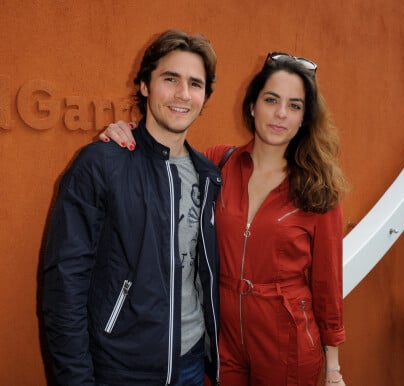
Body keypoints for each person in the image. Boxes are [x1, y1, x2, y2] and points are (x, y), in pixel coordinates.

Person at [100, 52, 348, 385]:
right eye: (271, 100)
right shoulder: (219, 163)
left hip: (286, 340)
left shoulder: (318, 187)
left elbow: (327, 282)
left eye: (294, 106)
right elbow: (165, 160)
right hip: (222, 339)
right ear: (252, 106)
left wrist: (333, 367)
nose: (279, 114)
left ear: (305, 118)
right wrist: (128, 134)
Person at [42, 29, 222, 386]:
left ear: (205, 95)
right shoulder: (101, 163)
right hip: (121, 369)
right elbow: (64, 285)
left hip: (190, 365)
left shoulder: (209, 175)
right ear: (144, 85)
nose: (183, 94)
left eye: (195, 84)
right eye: (170, 79)